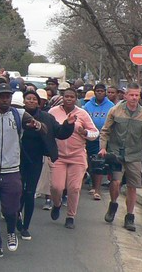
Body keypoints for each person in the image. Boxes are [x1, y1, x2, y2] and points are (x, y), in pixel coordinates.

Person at [0, 84, 58, 260]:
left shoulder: (19, 114)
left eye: (7, 96)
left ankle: (11, 231)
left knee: (10, 210)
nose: (5, 99)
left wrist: (37, 125)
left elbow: (44, 129)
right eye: (1, 96)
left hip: (12, 170)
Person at [99, 83, 142, 232]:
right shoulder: (115, 111)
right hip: (116, 153)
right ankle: (113, 204)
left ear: (139, 96)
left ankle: (129, 216)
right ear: (125, 96)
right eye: (131, 95)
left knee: (133, 186)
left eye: (137, 95)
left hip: (135, 155)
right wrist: (102, 147)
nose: (134, 98)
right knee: (116, 182)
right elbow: (105, 131)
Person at [19, 89, 74, 239]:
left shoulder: (47, 118)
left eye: (33, 99)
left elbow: (60, 133)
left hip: (35, 159)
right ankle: (16, 218)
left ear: (38, 102)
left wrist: (68, 125)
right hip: (16, 159)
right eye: (28, 98)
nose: (31, 101)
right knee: (18, 192)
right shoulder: (16, 115)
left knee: (30, 192)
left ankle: (25, 227)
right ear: (23, 101)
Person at [49, 88, 98, 229]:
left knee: (74, 187)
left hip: (77, 156)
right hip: (58, 155)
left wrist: (85, 132)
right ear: (62, 98)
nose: (69, 99)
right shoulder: (53, 112)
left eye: (72, 97)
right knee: (56, 187)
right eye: (66, 96)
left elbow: (95, 133)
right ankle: (57, 204)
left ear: (76, 99)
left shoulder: (82, 114)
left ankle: (70, 216)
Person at [83, 83, 114, 200]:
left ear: (105, 92)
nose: (100, 93)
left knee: (99, 163)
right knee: (89, 162)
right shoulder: (87, 106)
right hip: (89, 138)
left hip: (102, 139)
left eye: (102, 91)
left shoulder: (111, 106)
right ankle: (90, 182)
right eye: (98, 91)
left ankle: (97, 189)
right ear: (94, 92)